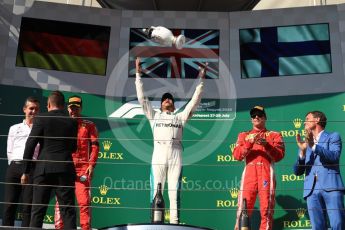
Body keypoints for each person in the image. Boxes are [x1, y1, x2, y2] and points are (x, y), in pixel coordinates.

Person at [135, 57, 206, 224]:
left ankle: (174, 224)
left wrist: (201, 78)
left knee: (174, 192)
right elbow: (142, 99)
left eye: (170, 99)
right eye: (164, 99)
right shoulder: (154, 115)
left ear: (174, 105)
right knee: (155, 191)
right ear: (160, 105)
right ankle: (155, 223)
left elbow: (195, 101)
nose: (167, 100)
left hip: (176, 153)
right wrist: (138, 74)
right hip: (158, 153)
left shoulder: (180, 117)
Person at [21, 90, 78, 229]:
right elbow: (73, 148)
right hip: (64, 168)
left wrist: (25, 171)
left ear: (48, 104)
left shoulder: (41, 118)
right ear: (63, 105)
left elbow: (30, 144)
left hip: (44, 168)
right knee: (68, 211)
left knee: (38, 211)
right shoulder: (72, 122)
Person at [233, 106, 285, 230]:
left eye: (259, 115)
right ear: (251, 119)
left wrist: (267, 145)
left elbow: (279, 156)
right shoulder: (243, 135)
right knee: (243, 209)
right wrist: (249, 143)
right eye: (253, 115)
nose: (256, 117)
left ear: (265, 118)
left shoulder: (274, 135)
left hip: (266, 173)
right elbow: (236, 155)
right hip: (249, 173)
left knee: (266, 209)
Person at [294, 111, 345, 230]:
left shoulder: (333, 136)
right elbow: (297, 171)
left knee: (338, 224)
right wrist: (302, 152)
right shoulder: (305, 144)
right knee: (317, 227)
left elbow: (334, 156)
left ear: (317, 120)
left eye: (307, 118)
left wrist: (314, 146)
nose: (304, 122)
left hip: (331, 187)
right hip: (311, 191)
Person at [54, 95, 99, 230]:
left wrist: (91, 164)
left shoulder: (89, 125)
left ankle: (85, 228)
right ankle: (59, 227)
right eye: (71, 108)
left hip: (82, 168)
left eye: (76, 108)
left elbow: (95, 145)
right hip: (65, 167)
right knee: (60, 202)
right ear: (67, 108)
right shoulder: (61, 124)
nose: (73, 111)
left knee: (84, 202)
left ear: (81, 108)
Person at [2, 97, 40, 227]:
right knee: (9, 205)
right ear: (24, 109)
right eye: (31, 108)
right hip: (14, 167)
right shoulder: (14, 128)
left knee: (27, 207)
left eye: (36, 109)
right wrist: (14, 165)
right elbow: (9, 150)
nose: (33, 111)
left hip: (32, 169)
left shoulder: (41, 130)